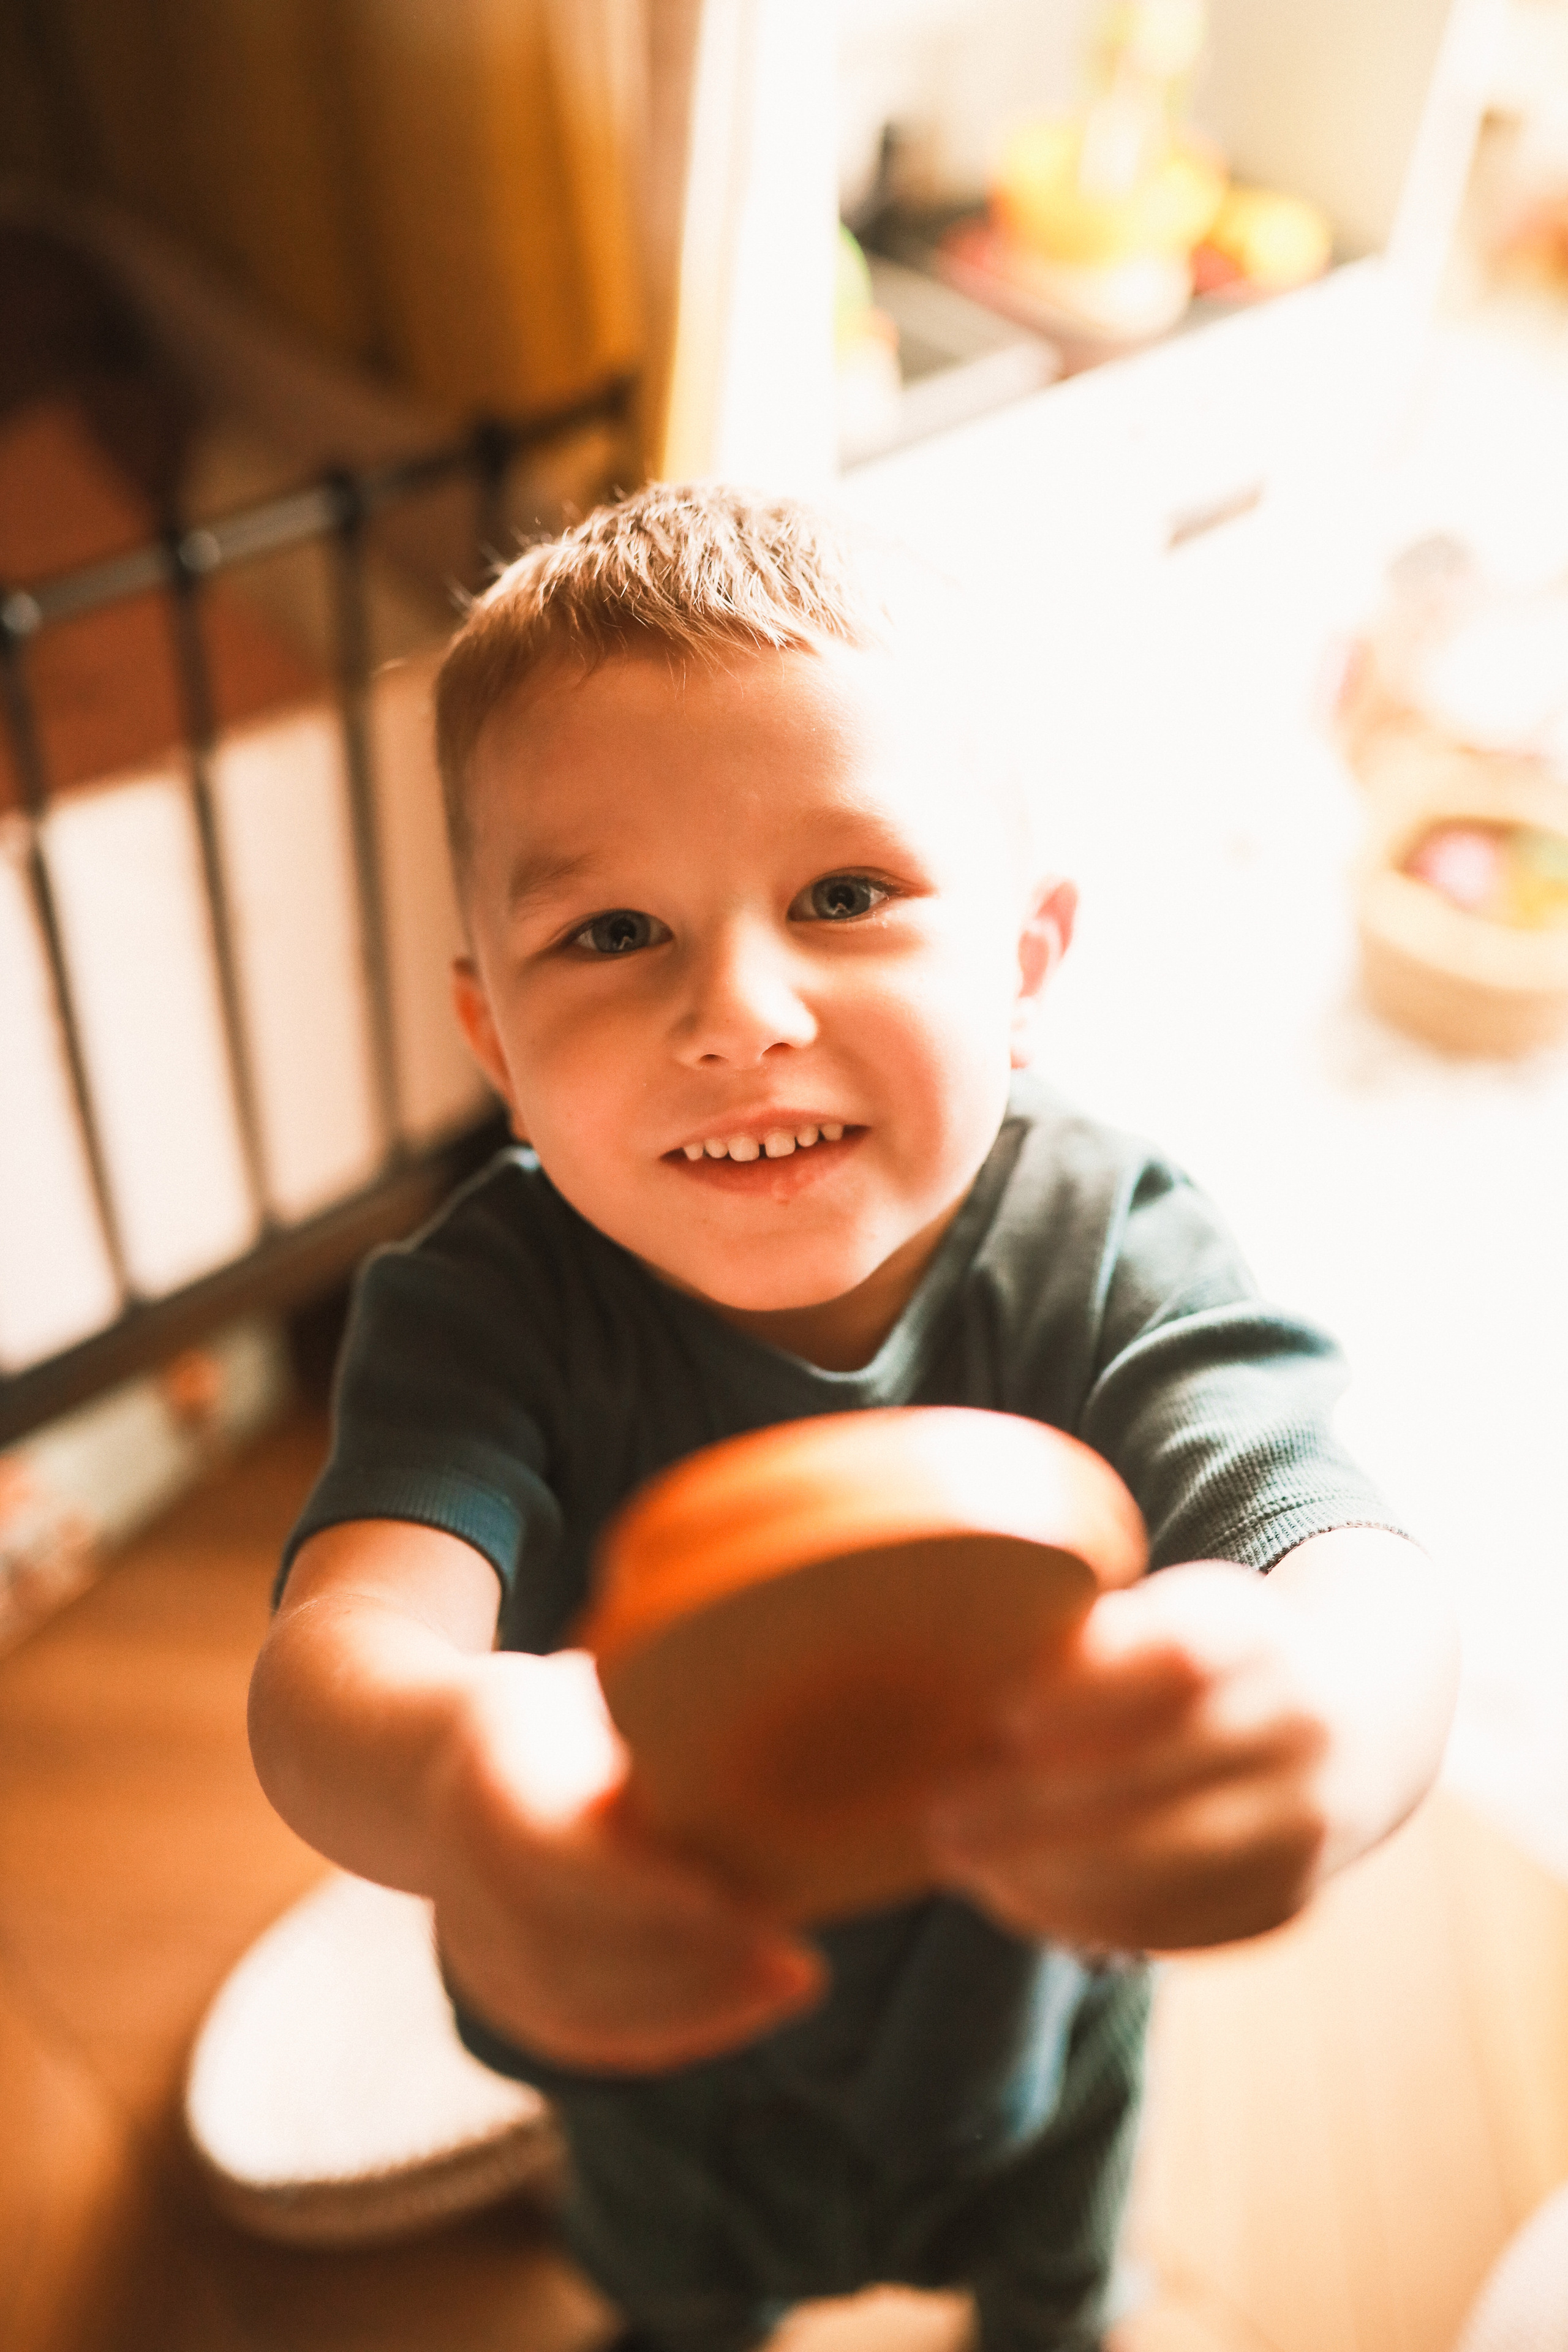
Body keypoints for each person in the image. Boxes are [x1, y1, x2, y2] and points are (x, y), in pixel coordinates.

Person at [247, 484, 1458, 2352]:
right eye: (614, 931)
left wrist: (1324, 1717)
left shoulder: (1114, 1244)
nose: (738, 1011)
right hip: (659, 2053)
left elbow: (1340, 1553)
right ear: (494, 1047)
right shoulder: (484, 1308)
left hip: (1032, 2024)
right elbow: (336, 1659)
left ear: (1028, 965)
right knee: (677, 2309)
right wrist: (453, 1766)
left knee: (1061, 2296)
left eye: (845, 896)